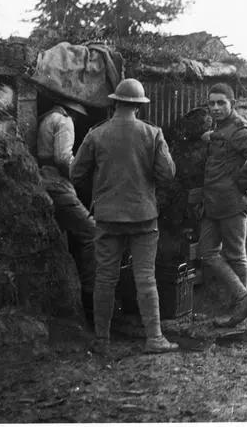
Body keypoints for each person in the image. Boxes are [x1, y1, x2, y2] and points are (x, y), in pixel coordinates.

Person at [71, 78, 179, 354]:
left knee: (105, 277)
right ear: (138, 106)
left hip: (108, 217)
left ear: (115, 102)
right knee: (146, 277)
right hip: (143, 216)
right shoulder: (152, 133)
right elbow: (167, 174)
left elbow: (76, 173)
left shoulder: (96, 134)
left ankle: (102, 340)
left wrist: (102, 187)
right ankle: (154, 338)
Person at [200, 83, 247, 328]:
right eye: (212, 103)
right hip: (214, 203)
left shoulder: (240, 129)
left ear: (232, 103)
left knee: (236, 256)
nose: (216, 107)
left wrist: (240, 184)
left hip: (231, 203)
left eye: (222, 103)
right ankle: (243, 298)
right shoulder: (221, 128)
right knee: (207, 252)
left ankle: (239, 310)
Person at [36, 97, 97, 314]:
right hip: (57, 185)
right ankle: (90, 296)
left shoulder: (48, 118)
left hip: (45, 181)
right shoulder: (64, 121)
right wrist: (82, 173)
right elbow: (63, 158)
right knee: (93, 233)